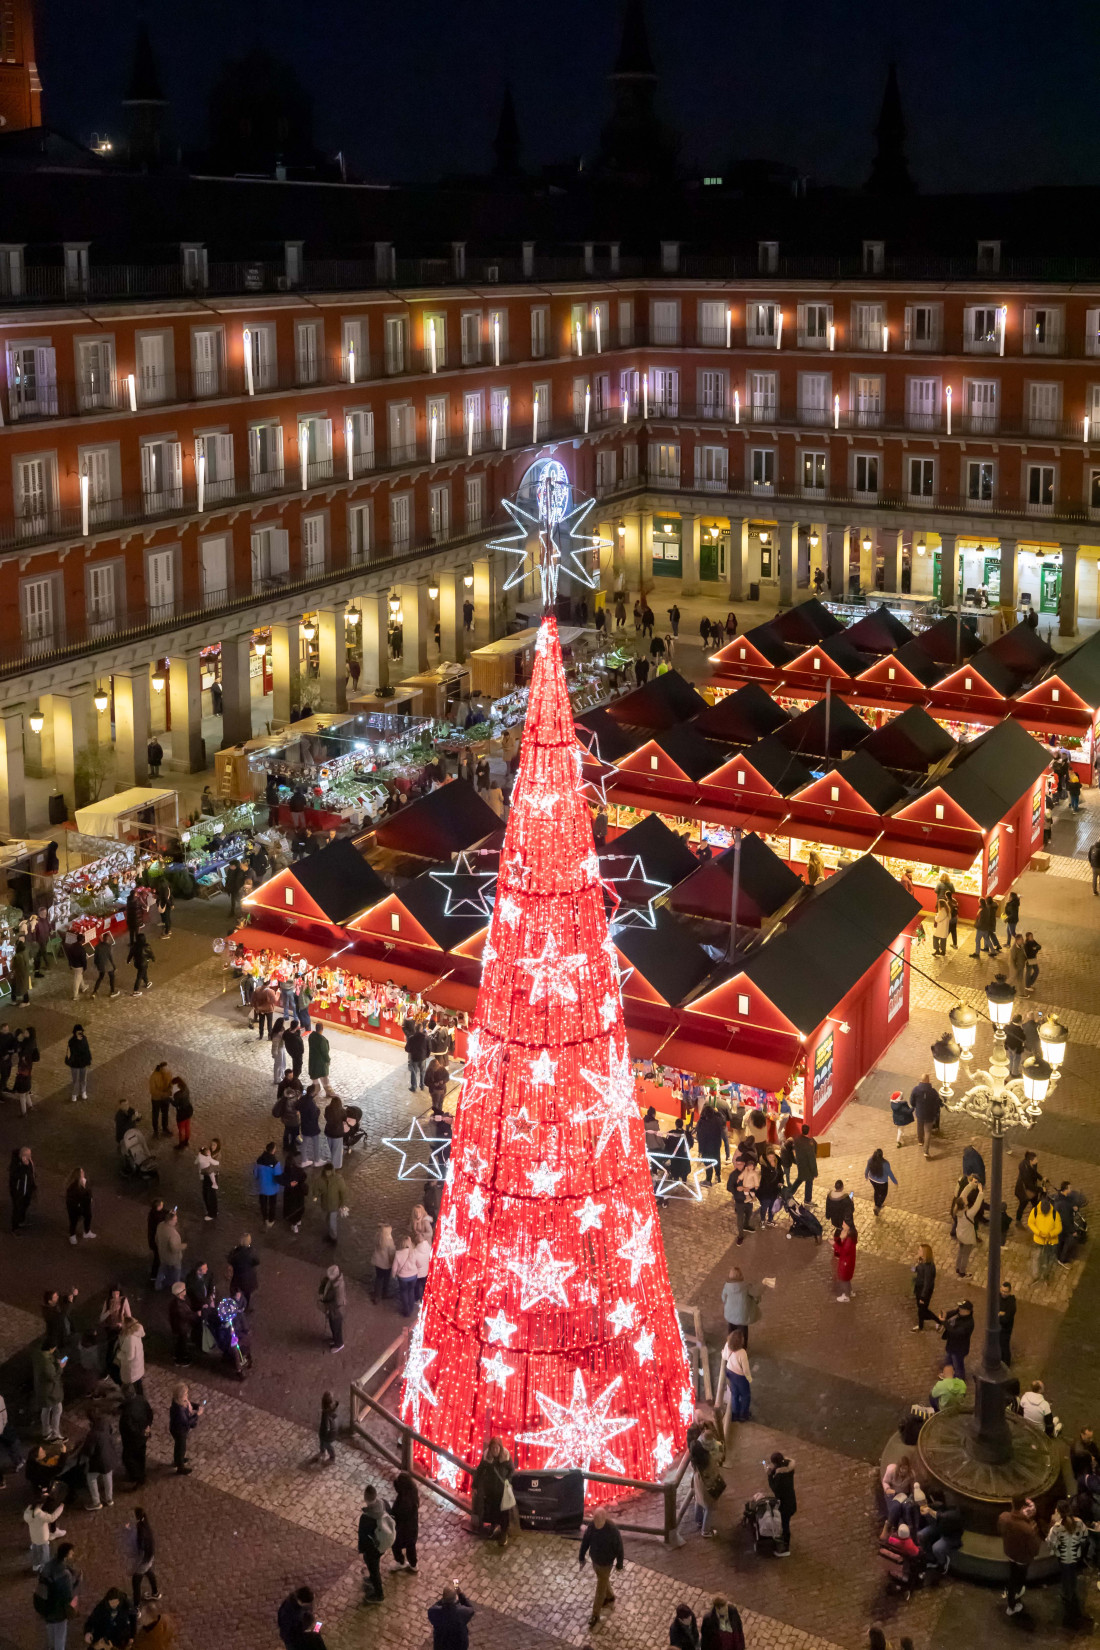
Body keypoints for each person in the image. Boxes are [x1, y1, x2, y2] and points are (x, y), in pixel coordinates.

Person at [578, 1506, 624, 1628]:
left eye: (598, 1521)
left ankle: (595, 1614)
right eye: (595, 1520)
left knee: (600, 1587)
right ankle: (609, 1596)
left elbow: (619, 1548)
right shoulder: (592, 1526)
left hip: (605, 1563)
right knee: (603, 1579)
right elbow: (586, 1541)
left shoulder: (612, 1530)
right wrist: (581, 1557)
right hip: (595, 1561)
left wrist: (619, 1564)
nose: (596, 1523)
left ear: (604, 1518)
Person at [1048, 1499, 1090, 1628]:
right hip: (1075, 1556)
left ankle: (1068, 1597)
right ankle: (1073, 1593)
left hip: (1064, 1558)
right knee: (1072, 1574)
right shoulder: (1079, 1523)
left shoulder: (1057, 1527)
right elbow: (1084, 1537)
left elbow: (1051, 1542)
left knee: (1066, 1577)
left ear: (1059, 1512)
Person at [998, 1493, 1041, 1616]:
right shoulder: (1027, 1529)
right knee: (1019, 1579)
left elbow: (1000, 1530)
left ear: (1012, 1504)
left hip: (1010, 1552)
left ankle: (1011, 1593)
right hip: (1023, 1558)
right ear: (1023, 1506)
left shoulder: (1004, 1518)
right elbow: (1035, 1548)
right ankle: (1012, 1604)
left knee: (1012, 1574)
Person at [34, 1542, 81, 1650]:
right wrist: (78, 1582)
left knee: (51, 1631)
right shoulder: (65, 1575)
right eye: (71, 1552)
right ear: (66, 1554)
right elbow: (68, 1595)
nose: (73, 1553)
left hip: (46, 1606)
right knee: (60, 1637)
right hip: (58, 1610)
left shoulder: (48, 1565)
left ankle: (51, 1648)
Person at [472, 1437, 514, 1544]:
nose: (495, 1450)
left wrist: (507, 1480)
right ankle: (493, 1526)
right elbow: (480, 1470)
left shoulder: (505, 1457)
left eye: (497, 1448)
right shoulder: (486, 1458)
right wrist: (475, 1485)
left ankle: (503, 1533)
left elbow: (511, 1469)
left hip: (502, 1490)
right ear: (490, 1448)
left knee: (503, 1512)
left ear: (500, 1448)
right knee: (492, 1510)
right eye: (493, 1448)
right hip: (490, 1489)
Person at [80, 1410, 120, 1510]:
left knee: (91, 1479)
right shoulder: (106, 1424)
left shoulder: (93, 1434)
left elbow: (89, 1451)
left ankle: (96, 1502)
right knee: (108, 1477)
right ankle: (109, 1499)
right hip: (109, 1456)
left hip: (98, 1461)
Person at [357, 1484, 388, 1603]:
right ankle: (372, 1578)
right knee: (374, 1565)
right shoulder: (384, 1504)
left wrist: (361, 1550)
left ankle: (379, 1595)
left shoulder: (366, 1518)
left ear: (365, 1498)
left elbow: (363, 1536)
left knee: (374, 1569)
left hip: (373, 1548)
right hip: (382, 1543)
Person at [124, 1507, 159, 1610]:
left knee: (136, 1583)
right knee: (149, 1571)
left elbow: (141, 1554)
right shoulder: (145, 1524)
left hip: (144, 1560)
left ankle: (136, 1607)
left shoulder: (141, 1532)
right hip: (150, 1556)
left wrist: (133, 1569)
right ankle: (155, 1592)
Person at [118, 1388, 153, 1487]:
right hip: (144, 1434)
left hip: (133, 1439)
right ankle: (142, 1472)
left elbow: (130, 1429)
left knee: (128, 1457)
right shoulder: (141, 1399)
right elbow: (150, 1413)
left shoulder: (127, 1413)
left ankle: (137, 1477)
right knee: (141, 1454)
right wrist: (148, 1426)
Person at [24, 1489, 65, 1572]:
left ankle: (35, 1565)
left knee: (35, 1551)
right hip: (42, 1538)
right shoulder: (40, 1514)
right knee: (44, 1554)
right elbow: (52, 1517)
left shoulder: (28, 1511)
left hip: (34, 1537)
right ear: (41, 1504)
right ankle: (45, 1569)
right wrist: (60, 1508)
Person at [721, 1267, 761, 1347]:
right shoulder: (746, 1286)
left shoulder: (727, 1286)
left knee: (731, 1332)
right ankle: (742, 1350)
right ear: (741, 1275)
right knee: (743, 1334)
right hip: (742, 1316)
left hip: (730, 1315)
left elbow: (723, 1298)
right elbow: (756, 1294)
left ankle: (730, 1347)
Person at [389, 1470, 419, 1572]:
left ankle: (401, 1562)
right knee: (411, 1547)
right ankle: (413, 1564)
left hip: (402, 1529)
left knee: (395, 1545)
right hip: (412, 1528)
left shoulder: (404, 1502)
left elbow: (398, 1515)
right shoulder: (413, 1493)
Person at [1028, 1191, 1062, 1281]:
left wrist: (1050, 1234)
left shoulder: (1055, 1214)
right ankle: (1036, 1275)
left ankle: (1046, 1274)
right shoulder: (1035, 1211)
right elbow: (1030, 1223)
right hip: (1038, 1240)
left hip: (1050, 1241)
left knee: (1049, 1258)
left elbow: (1059, 1228)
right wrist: (1038, 1232)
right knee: (1036, 1257)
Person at [952, 1175, 983, 1276]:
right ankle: (962, 1272)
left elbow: (963, 1194)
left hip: (960, 1234)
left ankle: (957, 1267)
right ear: (964, 1205)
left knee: (961, 1251)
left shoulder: (957, 1210)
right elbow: (977, 1205)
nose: (966, 1199)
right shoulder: (968, 1214)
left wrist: (970, 1185)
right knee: (965, 1254)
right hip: (966, 1237)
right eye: (965, 1200)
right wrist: (981, 1191)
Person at [767, 1452, 796, 1555]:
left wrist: (770, 1476)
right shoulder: (788, 1468)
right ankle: (784, 1539)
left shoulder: (780, 1477)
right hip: (791, 1501)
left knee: (785, 1524)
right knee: (785, 1523)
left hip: (785, 1505)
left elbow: (775, 1488)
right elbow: (785, 1464)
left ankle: (785, 1548)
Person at [428, 1586, 474, 1650]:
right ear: (455, 1598)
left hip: (441, 1644)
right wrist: (460, 1595)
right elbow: (471, 1609)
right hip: (459, 1644)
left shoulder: (434, 1612)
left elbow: (433, 1608)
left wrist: (443, 1599)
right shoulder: (463, 1612)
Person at [314, 1162, 348, 1245]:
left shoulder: (338, 1179)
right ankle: (331, 1235)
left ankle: (333, 1238)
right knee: (328, 1220)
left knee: (332, 1222)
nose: (327, 1173)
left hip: (334, 1205)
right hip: (326, 1204)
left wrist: (342, 1204)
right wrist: (315, 1195)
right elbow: (317, 1189)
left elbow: (343, 1192)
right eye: (326, 1171)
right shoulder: (320, 1180)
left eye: (329, 1172)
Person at [721, 1330, 752, 1421]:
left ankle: (735, 1414)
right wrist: (749, 1378)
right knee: (746, 1396)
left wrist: (723, 1352)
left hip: (730, 1373)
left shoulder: (727, 1344)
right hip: (740, 1377)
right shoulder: (742, 1352)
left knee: (734, 1394)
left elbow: (725, 1357)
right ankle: (743, 1415)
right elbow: (745, 1369)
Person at [168, 1385, 198, 1475]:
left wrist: (196, 1406)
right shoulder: (179, 1409)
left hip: (178, 1429)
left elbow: (189, 1404)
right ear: (181, 1396)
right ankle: (180, 1467)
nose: (187, 1395)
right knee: (181, 1447)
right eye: (185, 1393)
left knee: (179, 1446)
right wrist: (197, 1415)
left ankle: (178, 1460)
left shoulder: (180, 1402)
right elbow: (187, 1422)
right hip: (179, 1431)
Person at [783, 1124, 818, 1202]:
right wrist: (815, 1172)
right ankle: (807, 1199)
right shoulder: (809, 1144)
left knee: (800, 1179)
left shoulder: (797, 1139)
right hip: (808, 1167)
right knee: (808, 1183)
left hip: (800, 1164)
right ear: (808, 1131)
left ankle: (789, 1193)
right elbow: (812, 1160)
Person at [941, 1300, 974, 1380]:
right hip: (952, 1345)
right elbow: (954, 1312)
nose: (959, 1310)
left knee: (958, 1365)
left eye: (961, 1309)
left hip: (959, 1349)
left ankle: (959, 1379)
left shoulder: (968, 1324)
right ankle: (948, 1374)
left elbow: (954, 1332)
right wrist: (945, 1315)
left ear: (967, 1311)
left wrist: (945, 1322)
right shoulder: (961, 1314)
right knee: (948, 1361)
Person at [227, 1234, 260, 1308]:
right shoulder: (252, 1252)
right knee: (247, 1293)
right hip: (248, 1277)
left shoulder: (235, 1251)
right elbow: (257, 1261)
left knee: (235, 1292)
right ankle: (245, 1306)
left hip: (237, 1276)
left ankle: (233, 1307)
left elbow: (230, 1259)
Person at [318, 1264, 346, 1353]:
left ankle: (339, 1344)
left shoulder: (339, 1288)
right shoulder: (333, 1280)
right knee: (333, 1326)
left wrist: (325, 1306)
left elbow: (337, 1303)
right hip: (332, 1311)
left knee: (336, 1327)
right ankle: (335, 1339)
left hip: (336, 1312)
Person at [154, 1212, 184, 1291]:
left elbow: (156, 1239)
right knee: (177, 1272)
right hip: (173, 1259)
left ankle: (158, 1285)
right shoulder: (173, 1234)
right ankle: (177, 1288)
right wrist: (183, 1246)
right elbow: (174, 1248)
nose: (176, 1221)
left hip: (162, 1255)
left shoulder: (160, 1225)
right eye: (175, 1220)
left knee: (162, 1269)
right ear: (170, 1221)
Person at [911, 1243, 939, 1330]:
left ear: (925, 1253)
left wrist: (923, 1297)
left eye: (920, 1250)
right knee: (921, 1309)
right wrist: (915, 1268)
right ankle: (922, 1325)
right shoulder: (922, 1261)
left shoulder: (928, 1267)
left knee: (922, 1310)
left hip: (924, 1292)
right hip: (920, 1289)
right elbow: (918, 1269)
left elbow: (927, 1283)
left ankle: (938, 1322)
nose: (918, 1251)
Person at [64, 1170, 95, 1246]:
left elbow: (89, 1191)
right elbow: (72, 1198)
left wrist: (90, 1198)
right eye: (81, 1172)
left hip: (85, 1205)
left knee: (88, 1216)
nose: (83, 1173)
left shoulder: (85, 1182)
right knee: (74, 1221)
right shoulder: (72, 1186)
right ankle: (72, 1236)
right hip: (75, 1207)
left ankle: (87, 1232)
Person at [10, 1144, 36, 1231]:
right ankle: (15, 1227)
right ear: (23, 1155)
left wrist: (33, 1183)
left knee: (25, 1205)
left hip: (27, 1190)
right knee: (17, 1208)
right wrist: (24, 1166)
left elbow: (31, 1173)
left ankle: (21, 1221)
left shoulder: (29, 1162)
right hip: (18, 1191)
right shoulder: (17, 1164)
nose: (30, 1156)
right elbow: (16, 1176)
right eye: (28, 1155)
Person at [864, 1148, 898, 1215]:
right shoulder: (885, 1163)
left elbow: (867, 1169)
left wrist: (866, 1176)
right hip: (882, 1182)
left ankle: (876, 1204)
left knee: (876, 1191)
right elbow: (890, 1173)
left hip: (872, 1180)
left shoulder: (870, 1160)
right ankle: (878, 1206)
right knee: (883, 1194)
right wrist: (895, 1181)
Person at [62, 1026, 92, 1103]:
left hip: (83, 1063)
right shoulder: (72, 1041)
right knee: (75, 1080)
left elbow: (87, 1050)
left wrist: (88, 1060)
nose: (80, 1033)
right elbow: (73, 1052)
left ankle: (83, 1092)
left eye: (81, 1032)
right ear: (75, 1032)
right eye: (78, 1032)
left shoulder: (84, 1039)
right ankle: (74, 1094)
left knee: (83, 1079)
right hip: (74, 1064)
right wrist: (78, 1041)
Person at [116, 1319, 145, 1395]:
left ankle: (135, 1401)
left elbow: (129, 1356)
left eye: (123, 1324)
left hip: (131, 1369)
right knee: (138, 1384)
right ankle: (140, 1399)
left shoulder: (130, 1338)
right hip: (137, 1366)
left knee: (132, 1388)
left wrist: (119, 1354)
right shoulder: (136, 1333)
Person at [1014, 1149, 1042, 1224]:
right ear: (1030, 1160)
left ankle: (1035, 1216)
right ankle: (1018, 1219)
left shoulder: (1032, 1164)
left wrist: (1041, 1178)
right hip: (1024, 1191)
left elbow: (1034, 1173)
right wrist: (1041, 1189)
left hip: (1031, 1189)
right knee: (1023, 1204)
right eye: (1036, 1159)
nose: (1037, 1161)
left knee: (1035, 1203)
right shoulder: (1025, 1171)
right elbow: (1029, 1185)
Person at [834, 1219, 857, 1301]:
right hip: (848, 1262)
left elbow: (843, 1251)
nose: (842, 1224)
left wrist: (835, 1244)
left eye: (844, 1224)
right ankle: (850, 1292)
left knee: (843, 1279)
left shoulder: (849, 1240)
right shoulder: (851, 1237)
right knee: (847, 1279)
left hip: (845, 1263)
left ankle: (846, 1296)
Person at [196, 1140, 219, 1221]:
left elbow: (215, 1165)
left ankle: (212, 1213)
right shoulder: (208, 1154)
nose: (212, 1146)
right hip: (207, 1175)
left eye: (214, 1145)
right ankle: (213, 1211)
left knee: (209, 1195)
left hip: (210, 1176)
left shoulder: (215, 1155)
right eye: (211, 1144)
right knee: (208, 1194)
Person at [90, 933, 119, 999]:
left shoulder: (97, 946)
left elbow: (95, 957)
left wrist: (96, 965)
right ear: (108, 939)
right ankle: (112, 992)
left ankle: (94, 992)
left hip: (101, 965)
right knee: (112, 978)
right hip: (108, 965)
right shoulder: (109, 946)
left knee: (100, 977)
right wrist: (114, 967)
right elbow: (110, 957)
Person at [62, 931, 89, 999]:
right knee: (77, 980)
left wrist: (70, 964)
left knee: (79, 976)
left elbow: (69, 955)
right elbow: (83, 960)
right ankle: (75, 995)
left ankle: (83, 986)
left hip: (73, 965)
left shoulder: (72, 946)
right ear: (82, 941)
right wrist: (85, 968)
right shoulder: (82, 949)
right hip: (79, 966)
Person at [405, 1018, 430, 1091]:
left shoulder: (411, 1038)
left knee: (414, 1072)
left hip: (414, 1057)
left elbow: (407, 1048)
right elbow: (429, 1048)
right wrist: (427, 1055)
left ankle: (414, 1086)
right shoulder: (426, 1038)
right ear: (421, 1029)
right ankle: (422, 1085)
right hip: (423, 1057)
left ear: (415, 1029)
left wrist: (412, 1051)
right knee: (422, 1072)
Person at [314, 1391, 338, 1466]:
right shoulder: (330, 1409)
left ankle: (332, 1458)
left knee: (327, 1445)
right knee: (322, 1443)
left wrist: (324, 1433)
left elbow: (327, 1427)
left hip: (327, 1434)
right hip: (325, 1433)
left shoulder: (326, 1414)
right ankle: (322, 1452)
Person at [149, 1064, 173, 1139]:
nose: (166, 1070)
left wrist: (170, 1090)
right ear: (160, 1069)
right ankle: (155, 1131)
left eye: (167, 1068)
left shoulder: (168, 1073)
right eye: (164, 1069)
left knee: (165, 1113)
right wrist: (164, 1094)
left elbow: (171, 1083)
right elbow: (153, 1090)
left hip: (165, 1098)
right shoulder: (153, 1077)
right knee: (155, 1115)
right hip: (156, 1099)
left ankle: (165, 1128)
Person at [307, 1026, 333, 1095]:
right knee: (324, 1077)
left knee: (315, 1076)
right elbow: (325, 1052)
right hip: (321, 1062)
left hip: (313, 1060)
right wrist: (328, 1060)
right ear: (322, 1029)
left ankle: (316, 1088)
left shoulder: (311, 1036)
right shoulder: (322, 1040)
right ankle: (328, 1091)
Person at [999, 1280, 1017, 1366]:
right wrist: (1001, 1313)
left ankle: (1006, 1364)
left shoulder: (1011, 1304)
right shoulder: (998, 1297)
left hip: (1006, 1329)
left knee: (1004, 1346)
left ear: (1009, 1292)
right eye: (1002, 1291)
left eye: (1006, 1292)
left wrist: (999, 1315)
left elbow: (1006, 1319)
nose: (1003, 1293)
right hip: (998, 1327)